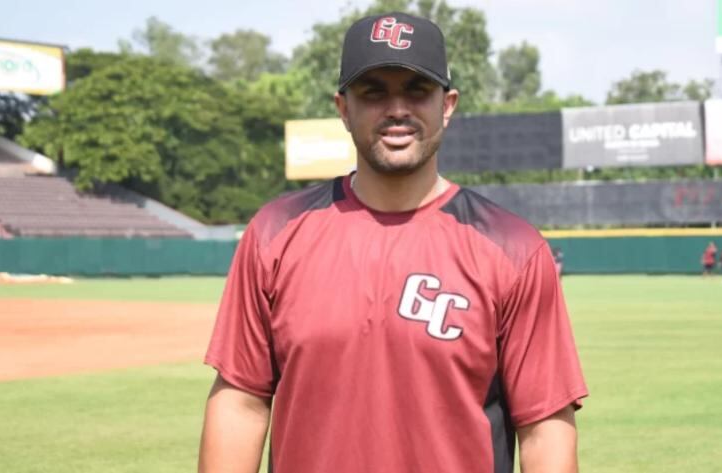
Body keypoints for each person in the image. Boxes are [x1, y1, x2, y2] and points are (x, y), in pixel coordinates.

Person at [199, 11, 587, 473]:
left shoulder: (513, 248)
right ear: (344, 108)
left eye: (417, 90)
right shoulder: (276, 232)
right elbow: (241, 399)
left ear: (448, 104)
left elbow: (543, 426)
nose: (397, 109)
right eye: (374, 92)